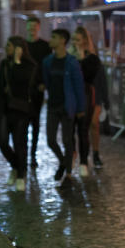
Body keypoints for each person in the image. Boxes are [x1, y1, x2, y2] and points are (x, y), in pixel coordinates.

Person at [0, 36, 37, 191]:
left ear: (18, 48)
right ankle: (16, 166)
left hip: (21, 110)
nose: (6, 48)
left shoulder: (30, 66)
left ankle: (21, 175)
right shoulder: (4, 64)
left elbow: (21, 84)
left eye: (9, 46)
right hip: (3, 108)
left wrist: (17, 62)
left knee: (19, 143)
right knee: (2, 141)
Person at [41, 28, 85, 183]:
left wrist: (80, 108)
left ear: (62, 41)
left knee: (68, 140)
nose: (50, 40)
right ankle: (63, 162)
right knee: (51, 140)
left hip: (67, 106)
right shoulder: (47, 62)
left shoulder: (71, 63)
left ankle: (68, 173)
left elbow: (79, 86)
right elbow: (46, 81)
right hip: (53, 105)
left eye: (53, 37)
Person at [70, 26, 101, 176]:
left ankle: (83, 161)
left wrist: (81, 57)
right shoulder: (68, 57)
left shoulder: (92, 59)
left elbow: (88, 77)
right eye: (73, 40)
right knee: (69, 130)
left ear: (84, 41)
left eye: (78, 40)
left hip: (85, 95)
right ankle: (71, 157)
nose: (75, 43)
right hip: (70, 96)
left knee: (83, 129)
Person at [26, 16, 51, 167]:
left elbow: (46, 68)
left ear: (38, 28)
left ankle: (32, 155)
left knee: (35, 123)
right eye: (30, 26)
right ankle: (24, 153)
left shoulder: (44, 47)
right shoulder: (23, 45)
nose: (32, 29)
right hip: (24, 91)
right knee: (23, 124)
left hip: (37, 90)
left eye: (34, 27)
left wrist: (44, 84)